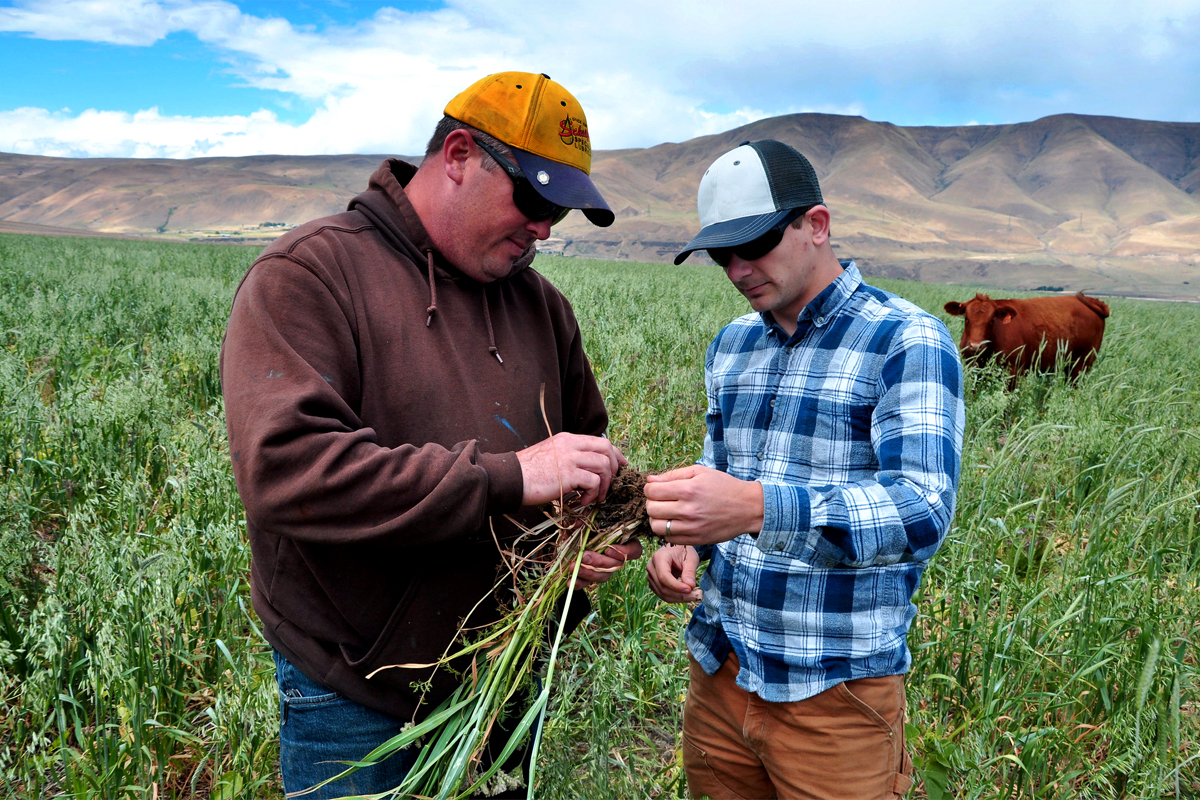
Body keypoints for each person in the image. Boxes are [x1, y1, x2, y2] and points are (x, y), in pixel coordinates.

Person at [219, 71, 642, 798]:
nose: (544, 228)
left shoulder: (542, 305)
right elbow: (288, 471)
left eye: (561, 213)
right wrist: (508, 478)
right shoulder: (311, 274)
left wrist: (586, 537)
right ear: (457, 156)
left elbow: (580, 453)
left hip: (503, 681)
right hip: (355, 693)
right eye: (536, 199)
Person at [644, 140, 964, 800]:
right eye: (721, 254)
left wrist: (757, 507)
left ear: (816, 225)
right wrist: (687, 543)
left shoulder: (906, 340)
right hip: (719, 674)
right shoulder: (732, 344)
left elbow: (922, 509)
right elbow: (721, 470)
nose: (737, 269)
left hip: (836, 694)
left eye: (754, 244)